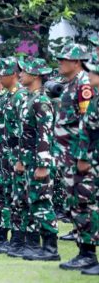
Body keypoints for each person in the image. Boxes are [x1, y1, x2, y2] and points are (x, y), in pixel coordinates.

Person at [17, 57, 60, 261]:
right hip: (29, 159)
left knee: (42, 201)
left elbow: (45, 134)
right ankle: (36, 245)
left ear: (35, 75)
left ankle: (50, 248)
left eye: (24, 72)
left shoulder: (42, 100)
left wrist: (43, 164)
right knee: (32, 201)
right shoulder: (30, 98)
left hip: (38, 160)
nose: (20, 75)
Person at [69, 58, 99, 275]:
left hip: (93, 160)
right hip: (90, 160)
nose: (89, 75)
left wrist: (85, 157)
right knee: (84, 203)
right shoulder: (96, 98)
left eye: (94, 71)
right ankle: (86, 254)